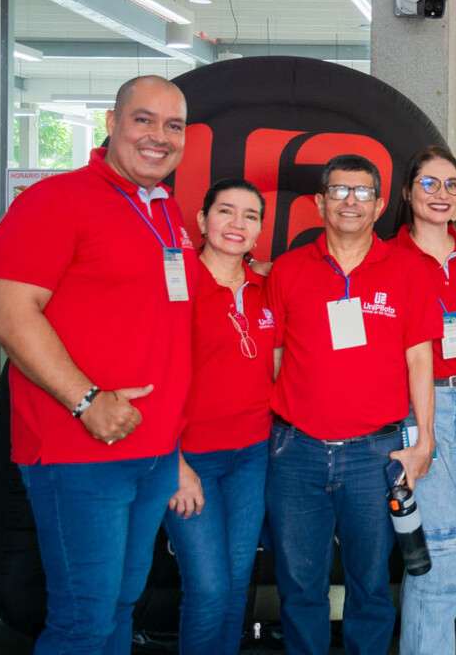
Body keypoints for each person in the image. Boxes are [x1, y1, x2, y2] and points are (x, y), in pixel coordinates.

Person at [0, 75, 195, 653]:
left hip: (152, 452)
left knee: (119, 606)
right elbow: (9, 313)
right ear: (111, 123)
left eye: (173, 125)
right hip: (79, 450)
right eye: (143, 119)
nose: (158, 136)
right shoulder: (54, 201)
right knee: (82, 619)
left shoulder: (165, 212)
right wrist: (86, 401)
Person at [264, 154, 438, 655]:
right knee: (300, 587)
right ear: (320, 202)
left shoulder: (407, 270)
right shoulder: (289, 270)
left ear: (381, 204)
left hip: (374, 455)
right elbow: (276, 358)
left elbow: (420, 359)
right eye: (339, 191)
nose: (350, 202)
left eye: (362, 193)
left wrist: (424, 438)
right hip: (296, 453)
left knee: (370, 586)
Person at [163, 179, 274, 655]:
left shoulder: (268, 287)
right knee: (208, 589)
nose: (237, 224)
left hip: (252, 455)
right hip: (191, 461)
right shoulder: (176, 283)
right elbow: (152, 379)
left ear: (259, 230)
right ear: (203, 221)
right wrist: (175, 464)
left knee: (234, 583)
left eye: (249, 216)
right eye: (225, 212)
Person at [391, 146, 456, 655]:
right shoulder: (385, 256)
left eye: (451, 184)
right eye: (429, 183)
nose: (442, 194)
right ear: (408, 191)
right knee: (445, 546)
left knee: (448, 542)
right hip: (417, 408)